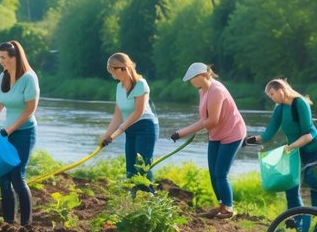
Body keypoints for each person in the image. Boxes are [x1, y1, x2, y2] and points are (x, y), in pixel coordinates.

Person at [170, 62, 247, 219]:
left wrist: (182, 132)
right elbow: (205, 118)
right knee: (213, 173)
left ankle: (229, 209)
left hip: (232, 134)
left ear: (204, 75)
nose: (191, 82)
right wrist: (189, 130)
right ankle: (222, 205)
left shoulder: (216, 91)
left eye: (193, 78)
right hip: (216, 135)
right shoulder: (202, 91)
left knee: (220, 173)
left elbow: (213, 121)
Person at [0, 40, 39, 226]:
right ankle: (8, 224)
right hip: (5, 133)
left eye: (4, 58)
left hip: (24, 133)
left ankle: (26, 225)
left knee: (17, 177)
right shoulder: (3, 76)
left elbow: (30, 110)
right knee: (3, 178)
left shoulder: (29, 78)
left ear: (15, 58)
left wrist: (10, 129)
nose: (1, 61)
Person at [246, 78, 317, 219]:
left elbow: (308, 135)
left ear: (281, 89)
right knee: (290, 188)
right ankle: (298, 221)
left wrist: (290, 147)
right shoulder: (280, 109)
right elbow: (268, 133)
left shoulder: (300, 103)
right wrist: (246, 141)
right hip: (296, 152)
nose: (272, 98)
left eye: (272, 94)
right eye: (269, 96)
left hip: (315, 151)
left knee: (314, 187)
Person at [99, 52, 159, 189]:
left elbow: (138, 112)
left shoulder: (141, 84)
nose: (111, 74)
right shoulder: (119, 87)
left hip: (146, 127)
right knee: (131, 169)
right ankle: (134, 200)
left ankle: (150, 196)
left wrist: (118, 132)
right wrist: (106, 135)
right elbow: (117, 115)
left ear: (121, 69)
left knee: (142, 167)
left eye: (112, 71)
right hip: (130, 129)